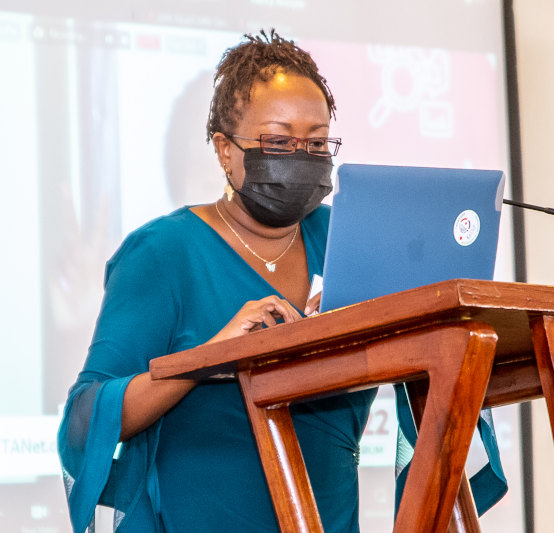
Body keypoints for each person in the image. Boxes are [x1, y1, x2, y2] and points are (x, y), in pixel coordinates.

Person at [58, 30, 377, 533]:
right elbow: (83, 419)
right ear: (225, 151)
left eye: (317, 143)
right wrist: (210, 358)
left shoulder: (348, 240)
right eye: (278, 141)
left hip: (329, 518)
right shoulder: (163, 253)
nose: (302, 157)